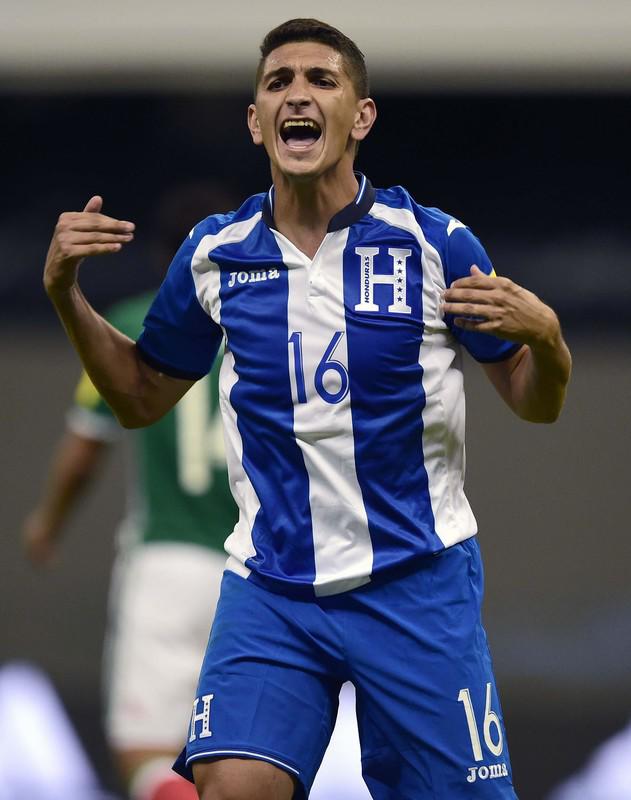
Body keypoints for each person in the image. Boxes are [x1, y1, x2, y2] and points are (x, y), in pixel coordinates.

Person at [41, 17, 572, 800]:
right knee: (232, 787)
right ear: (256, 122)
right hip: (272, 588)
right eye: (278, 82)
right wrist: (64, 296)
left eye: (321, 80)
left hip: (414, 583)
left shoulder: (433, 245)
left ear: (360, 116)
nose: (298, 94)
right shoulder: (216, 253)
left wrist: (550, 343)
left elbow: (533, 404)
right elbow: (138, 397)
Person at [24, 184, 239, 800]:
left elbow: (85, 448)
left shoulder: (131, 323)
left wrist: (47, 522)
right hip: (261, 569)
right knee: (243, 759)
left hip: (168, 560)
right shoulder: (271, 323)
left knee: (144, 751)